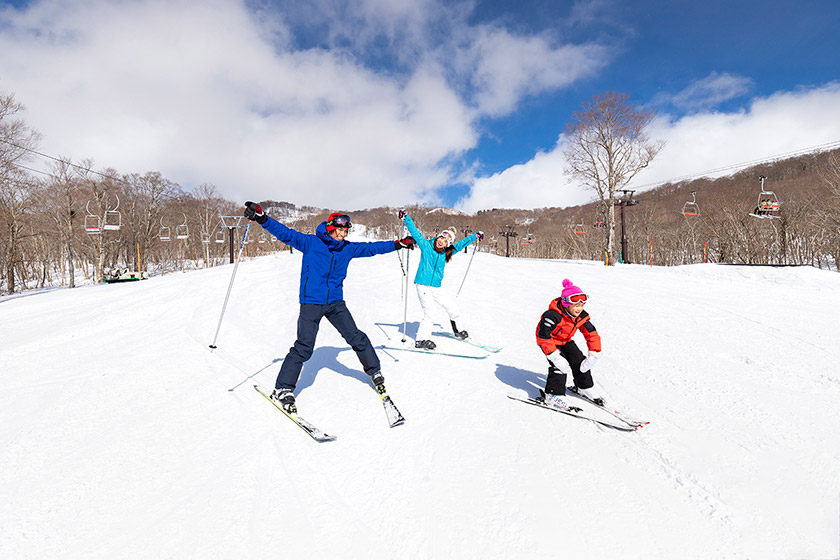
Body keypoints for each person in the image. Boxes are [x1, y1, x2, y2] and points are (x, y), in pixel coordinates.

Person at [244, 202, 415, 412]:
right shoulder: (311, 243)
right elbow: (285, 234)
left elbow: (373, 248)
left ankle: (374, 371)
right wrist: (262, 218)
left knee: (356, 337)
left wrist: (399, 244)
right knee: (304, 347)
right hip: (311, 303)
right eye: (341, 229)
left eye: (346, 230)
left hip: (335, 302)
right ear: (331, 227)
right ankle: (283, 388)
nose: (344, 233)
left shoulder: (348, 248)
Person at [399, 210, 482, 350]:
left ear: (447, 244)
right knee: (430, 312)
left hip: (436, 286)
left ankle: (458, 331)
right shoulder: (426, 246)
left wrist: (475, 236)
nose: (441, 242)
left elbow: (461, 244)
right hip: (423, 285)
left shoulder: (447, 253)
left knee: (452, 308)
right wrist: (405, 218)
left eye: (445, 241)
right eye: (440, 238)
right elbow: (415, 231)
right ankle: (421, 339)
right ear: (437, 237)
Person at [535, 278, 604, 409]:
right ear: (567, 304)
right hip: (548, 341)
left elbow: (591, 333)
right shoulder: (552, 315)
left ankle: (584, 387)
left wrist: (594, 353)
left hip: (565, 340)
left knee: (579, 360)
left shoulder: (579, 316)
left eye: (582, 305)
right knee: (560, 365)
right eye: (576, 305)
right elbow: (543, 336)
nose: (580, 309)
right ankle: (553, 394)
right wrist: (554, 356)